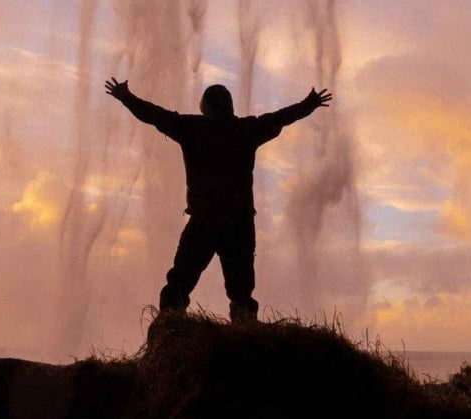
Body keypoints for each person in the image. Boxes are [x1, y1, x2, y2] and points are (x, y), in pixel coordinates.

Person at [105, 78, 331, 322]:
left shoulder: (193, 128)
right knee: (240, 291)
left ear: (206, 107)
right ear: (230, 106)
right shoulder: (246, 129)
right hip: (238, 222)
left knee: (181, 282)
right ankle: (244, 332)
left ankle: (169, 328)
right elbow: (281, 117)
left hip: (206, 220)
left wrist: (125, 96)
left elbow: (154, 115)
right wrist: (309, 104)